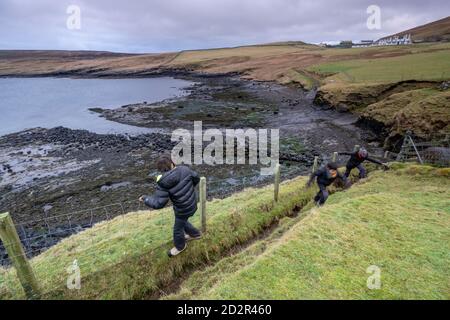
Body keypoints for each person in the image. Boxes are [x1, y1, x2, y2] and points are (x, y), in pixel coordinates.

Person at [139, 155, 202, 257]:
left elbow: (158, 203)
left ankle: (180, 247)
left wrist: (146, 199)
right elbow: (196, 178)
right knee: (182, 221)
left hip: (182, 209)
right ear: (172, 163)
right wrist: (189, 189)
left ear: (161, 170)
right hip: (192, 203)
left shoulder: (163, 182)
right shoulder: (184, 169)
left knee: (177, 229)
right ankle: (195, 234)